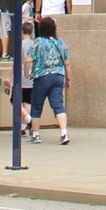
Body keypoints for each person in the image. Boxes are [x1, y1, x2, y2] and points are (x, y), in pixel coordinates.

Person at [26, 16, 71, 144]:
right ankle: (64, 132)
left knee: (36, 106)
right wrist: (69, 79)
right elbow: (67, 63)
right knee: (58, 105)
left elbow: (28, 59)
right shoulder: (60, 42)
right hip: (58, 76)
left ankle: (35, 134)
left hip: (42, 77)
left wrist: (27, 73)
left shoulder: (38, 42)